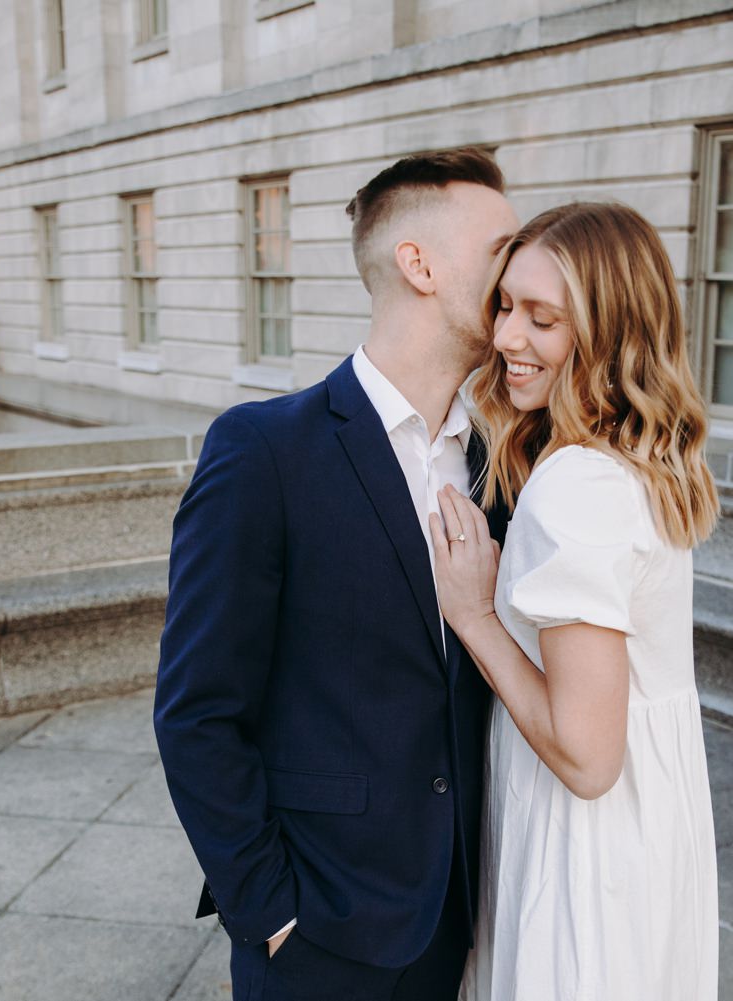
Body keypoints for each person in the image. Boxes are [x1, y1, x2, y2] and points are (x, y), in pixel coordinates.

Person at [153, 147, 519, 1001]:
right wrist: (268, 909)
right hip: (313, 931)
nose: (521, 263)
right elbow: (197, 710)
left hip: (454, 919)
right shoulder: (265, 449)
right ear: (418, 263)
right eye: (500, 245)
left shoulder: (499, 461)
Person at [430, 202, 722, 1001]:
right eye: (505, 304)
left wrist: (475, 616)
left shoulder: (578, 487)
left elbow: (589, 759)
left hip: (584, 852)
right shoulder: (637, 462)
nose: (505, 338)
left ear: (608, 336)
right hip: (645, 838)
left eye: (542, 318)